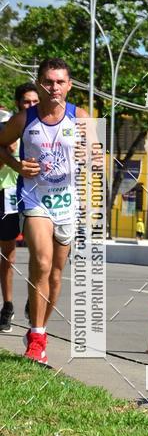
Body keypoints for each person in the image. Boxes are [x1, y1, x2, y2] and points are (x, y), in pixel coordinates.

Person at [0, 59, 89, 365]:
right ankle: (36, 337)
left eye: (60, 82)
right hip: (35, 199)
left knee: (54, 274)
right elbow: (0, 144)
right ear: (39, 83)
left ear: (69, 85)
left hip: (68, 203)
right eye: (48, 82)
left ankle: (40, 327)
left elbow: (99, 156)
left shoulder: (80, 117)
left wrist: (89, 153)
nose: (54, 88)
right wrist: (16, 164)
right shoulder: (25, 119)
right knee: (41, 260)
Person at [0, 83, 40, 332]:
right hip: (8, 192)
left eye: (35, 101)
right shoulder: (8, 129)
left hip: (37, 196)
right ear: (18, 104)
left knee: (41, 253)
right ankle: (8, 305)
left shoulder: (48, 127)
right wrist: (12, 160)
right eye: (26, 102)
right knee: (8, 254)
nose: (31, 106)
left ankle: (33, 302)